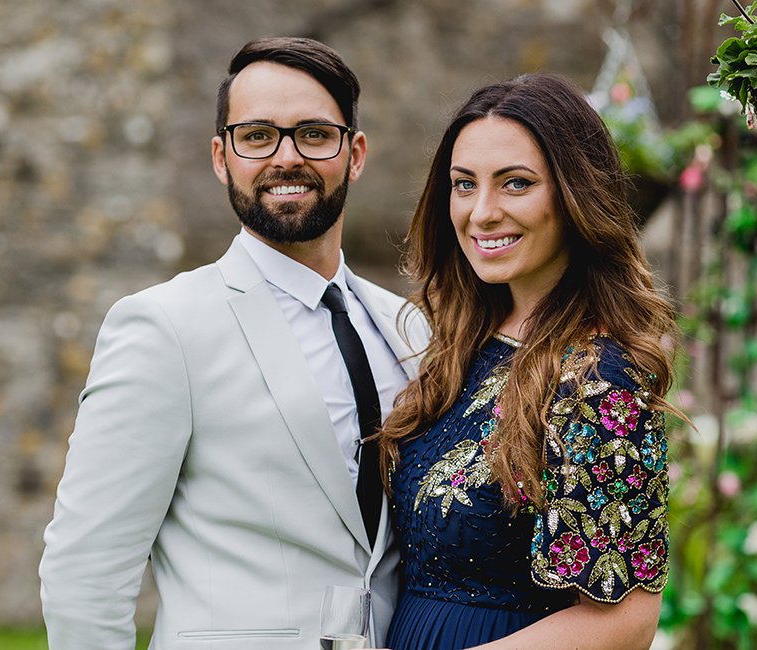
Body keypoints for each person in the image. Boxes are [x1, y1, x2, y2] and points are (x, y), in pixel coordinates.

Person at [39, 37, 427, 650]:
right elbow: (84, 574)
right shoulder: (163, 327)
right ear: (222, 157)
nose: (286, 157)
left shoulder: (409, 329)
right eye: (256, 136)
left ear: (354, 154)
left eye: (314, 134)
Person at [377, 73, 677, 650]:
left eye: (515, 184)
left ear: (574, 195)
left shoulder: (599, 378)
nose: (481, 212)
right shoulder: (462, 345)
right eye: (464, 185)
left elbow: (624, 620)